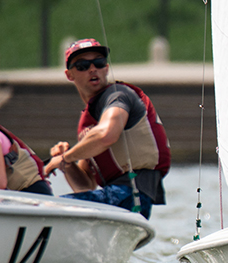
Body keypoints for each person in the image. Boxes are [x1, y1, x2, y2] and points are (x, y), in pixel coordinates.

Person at [43, 38, 171, 219]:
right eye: (82, 66)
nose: (92, 69)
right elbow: (86, 185)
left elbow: (106, 135)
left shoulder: (119, 96)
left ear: (107, 68)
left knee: (47, 208)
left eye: (99, 63)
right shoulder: (89, 121)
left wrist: (65, 157)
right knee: (48, 206)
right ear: (69, 75)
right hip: (116, 196)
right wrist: (66, 164)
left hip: (131, 193)